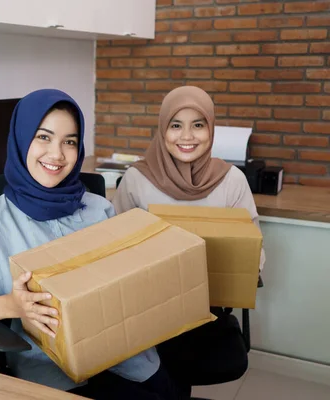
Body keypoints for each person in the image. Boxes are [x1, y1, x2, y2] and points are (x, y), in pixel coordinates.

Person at [0, 89, 183, 399]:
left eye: (69, 141)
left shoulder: (100, 209)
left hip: (128, 358)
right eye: (43, 137)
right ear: (20, 140)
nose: (57, 154)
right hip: (53, 373)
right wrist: (10, 306)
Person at [112, 85, 266, 393]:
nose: (187, 136)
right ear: (162, 129)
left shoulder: (231, 180)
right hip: (147, 313)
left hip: (206, 315)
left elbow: (255, 257)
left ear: (211, 129)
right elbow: (115, 252)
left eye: (198, 125)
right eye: (176, 125)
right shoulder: (136, 180)